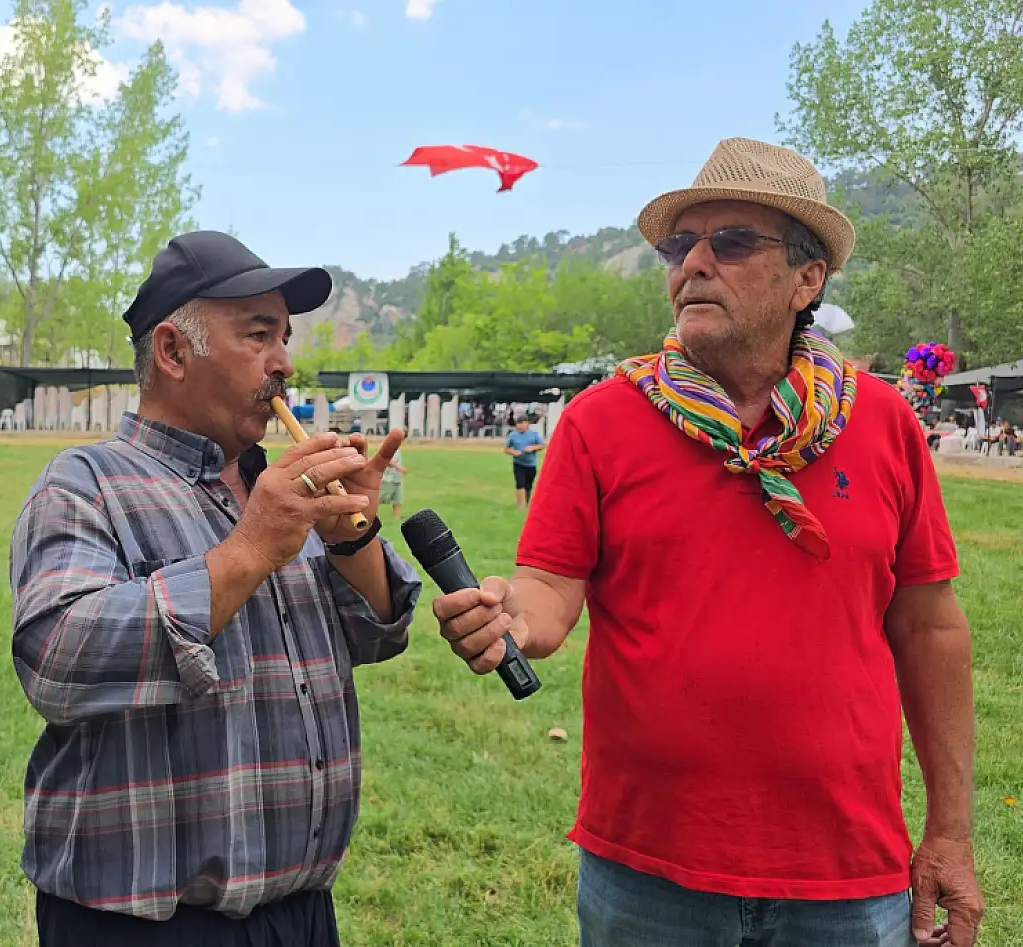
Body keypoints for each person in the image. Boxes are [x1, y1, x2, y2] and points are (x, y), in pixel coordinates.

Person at [432, 139, 982, 947]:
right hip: (646, 872)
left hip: (845, 872)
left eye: (730, 241)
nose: (693, 263)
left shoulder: (883, 422)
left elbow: (930, 628)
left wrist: (952, 834)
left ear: (807, 278)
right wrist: (512, 614)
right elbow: (548, 588)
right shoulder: (599, 420)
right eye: (678, 246)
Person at [10, 230, 422, 947]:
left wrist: (350, 538)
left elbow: (377, 634)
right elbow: (58, 662)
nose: (284, 362)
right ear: (173, 352)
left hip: (301, 913)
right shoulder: (86, 483)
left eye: (285, 338)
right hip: (146, 928)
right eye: (259, 335)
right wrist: (250, 549)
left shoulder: (279, 487)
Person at [503, 415, 546, 508]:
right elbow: (506, 449)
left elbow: (542, 445)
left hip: (531, 464)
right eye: (518, 424)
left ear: (527, 424)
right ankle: (521, 506)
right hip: (518, 463)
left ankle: (526, 503)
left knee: (528, 486)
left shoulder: (534, 434)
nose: (519, 426)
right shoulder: (513, 435)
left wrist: (532, 448)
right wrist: (514, 452)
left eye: (521, 424)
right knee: (520, 484)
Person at [380, 446, 407, 519]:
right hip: (388, 479)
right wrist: (400, 468)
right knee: (379, 499)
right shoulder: (390, 449)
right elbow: (388, 461)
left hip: (397, 479)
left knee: (398, 501)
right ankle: (369, 515)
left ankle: (396, 518)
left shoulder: (397, 450)